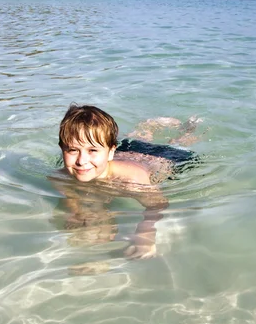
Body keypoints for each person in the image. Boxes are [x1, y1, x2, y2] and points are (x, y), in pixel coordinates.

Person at [50, 104, 202, 260]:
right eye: (73, 150)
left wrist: (146, 232)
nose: (82, 161)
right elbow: (72, 201)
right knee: (137, 139)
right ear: (62, 149)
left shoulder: (131, 180)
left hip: (163, 158)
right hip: (127, 151)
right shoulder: (59, 179)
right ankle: (147, 127)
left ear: (110, 152)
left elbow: (158, 204)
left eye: (92, 151)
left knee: (179, 142)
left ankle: (190, 127)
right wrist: (76, 212)